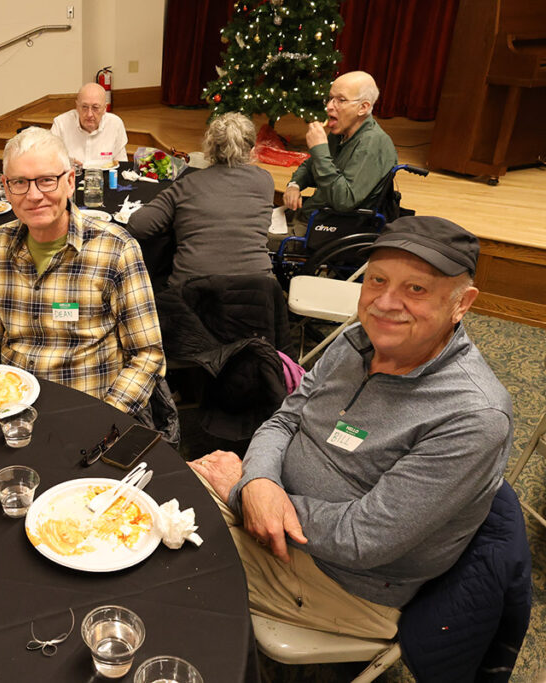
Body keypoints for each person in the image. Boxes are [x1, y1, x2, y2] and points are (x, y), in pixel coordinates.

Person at [190, 216, 511, 639]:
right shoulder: (357, 340)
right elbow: (286, 419)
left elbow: (362, 538)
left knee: (170, 565)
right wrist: (259, 480)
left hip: (339, 581)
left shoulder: (473, 416)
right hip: (269, 507)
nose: (384, 302)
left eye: (415, 289)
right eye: (377, 280)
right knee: (156, 492)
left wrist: (243, 490)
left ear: (462, 303)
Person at [0, 127, 164, 416]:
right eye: (20, 183)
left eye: (46, 181)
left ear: (69, 181)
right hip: (10, 412)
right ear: (5, 186)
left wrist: (106, 418)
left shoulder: (115, 249)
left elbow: (147, 355)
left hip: (86, 414)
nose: (34, 195)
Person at [127, 113, 274, 289]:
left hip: (192, 297)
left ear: (209, 149)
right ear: (251, 151)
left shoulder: (187, 185)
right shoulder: (265, 181)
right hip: (257, 294)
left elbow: (138, 226)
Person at [283, 70, 397, 216]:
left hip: (331, 225)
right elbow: (312, 166)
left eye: (341, 100)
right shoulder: (340, 132)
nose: (329, 106)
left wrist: (319, 150)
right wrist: (294, 185)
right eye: (330, 99)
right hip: (312, 213)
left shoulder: (372, 143)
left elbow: (343, 201)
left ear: (363, 107)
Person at [50, 83, 128, 168]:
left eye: (95, 107)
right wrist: (66, 163)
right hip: (71, 176)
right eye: (84, 107)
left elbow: (121, 164)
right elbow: (49, 159)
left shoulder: (115, 124)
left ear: (105, 108)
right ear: (77, 106)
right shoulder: (61, 123)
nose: (89, 114)